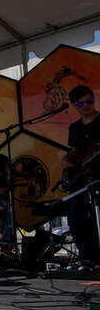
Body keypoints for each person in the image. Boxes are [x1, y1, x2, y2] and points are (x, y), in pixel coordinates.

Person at [62, 85, 100, 270]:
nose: (86, 105)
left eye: (89, 101)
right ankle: (88, 258)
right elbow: (75, 152)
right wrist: (67, 160)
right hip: (81, 180)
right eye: (81, 103)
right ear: (74, 105)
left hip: (99, 177)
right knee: (76, 217)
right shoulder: (74, 127)